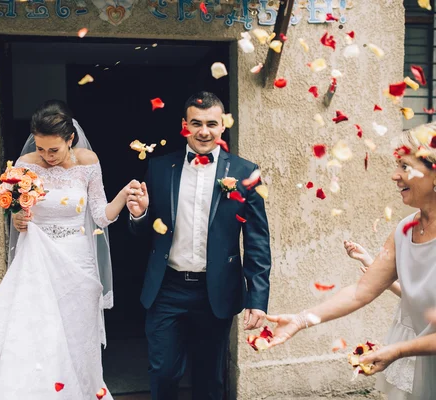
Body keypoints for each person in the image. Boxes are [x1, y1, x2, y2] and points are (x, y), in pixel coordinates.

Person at [0, 100, 134, 399]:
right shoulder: (24, 166)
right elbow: (18, 210)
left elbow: (100, 215)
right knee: (38, 339)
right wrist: (18, 216)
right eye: (41, 148)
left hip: (78, 264)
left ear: (70, 139)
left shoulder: (88, 163)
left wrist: (123, 196)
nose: (47, 157)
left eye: (54, 150)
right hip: (38, 263)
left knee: (77, 342)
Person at [267, 123, 436, 399]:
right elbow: (360, 292)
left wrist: (397, 350)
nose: (395, 175)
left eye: (405, 166)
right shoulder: (403, 231)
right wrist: (300, 320)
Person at [126, 91, 272, 400]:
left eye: (211, 124)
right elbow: (142, 231)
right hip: (167, 288)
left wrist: (258, 299)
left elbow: (257, 240)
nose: (203, 131)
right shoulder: (159, 168)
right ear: (184, 126)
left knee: (209, 380)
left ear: (223, 126)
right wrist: (138, 216)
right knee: (163, 373)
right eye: (196, 123)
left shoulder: (246, 173)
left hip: (215, 291)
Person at [344, 241, 415, 398]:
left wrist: (386, 282)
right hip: (412, 329)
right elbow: (410, 289)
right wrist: (369, 261)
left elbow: (420, 299)